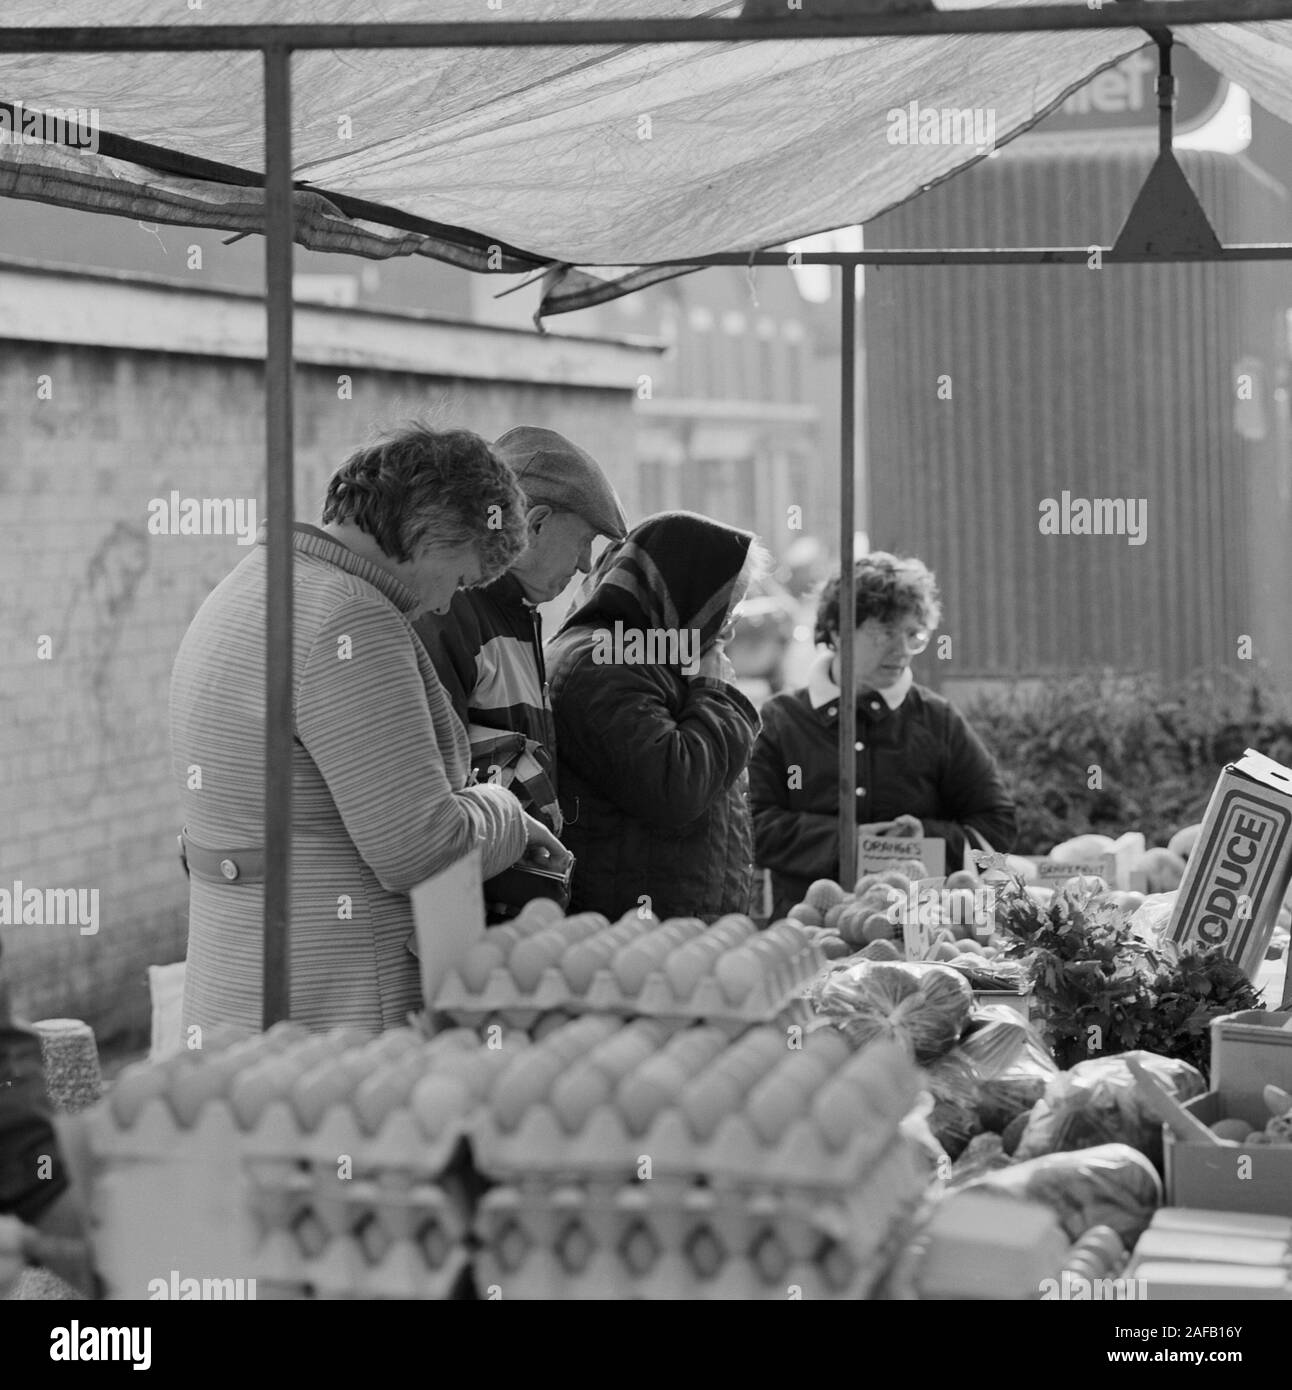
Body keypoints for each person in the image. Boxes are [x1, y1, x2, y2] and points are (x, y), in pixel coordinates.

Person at [170, 424, 568, 1034]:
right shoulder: (349, 617)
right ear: (436, 532)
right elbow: (420, 847)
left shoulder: (251, 587)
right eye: (460, 581)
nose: (442, 607)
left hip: (241, 983)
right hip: (337, 1004)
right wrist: (506, 813)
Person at [750, 551, 1017, 919]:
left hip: (920, 933)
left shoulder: (938, 719)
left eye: (913, 635)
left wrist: (922, 840)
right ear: (837, 632)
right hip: (807, 936)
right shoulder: (780, 721)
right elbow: (752, 824)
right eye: (885, 633)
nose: (903, 650)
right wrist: (851, 842)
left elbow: (996, 827)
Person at [546, 511, 769, 922]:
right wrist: (718, 694)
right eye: (725, 609)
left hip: (663, 933)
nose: (728, 630)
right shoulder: (603, 660)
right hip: (634, 939)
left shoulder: (644, 653)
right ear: (686, 593)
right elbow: (676, 786)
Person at [413, 426, 628, 834]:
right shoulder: (449, 611)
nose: (585, 564)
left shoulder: (512, 612)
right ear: (536, 525)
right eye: (584, 541)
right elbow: (431, 807)